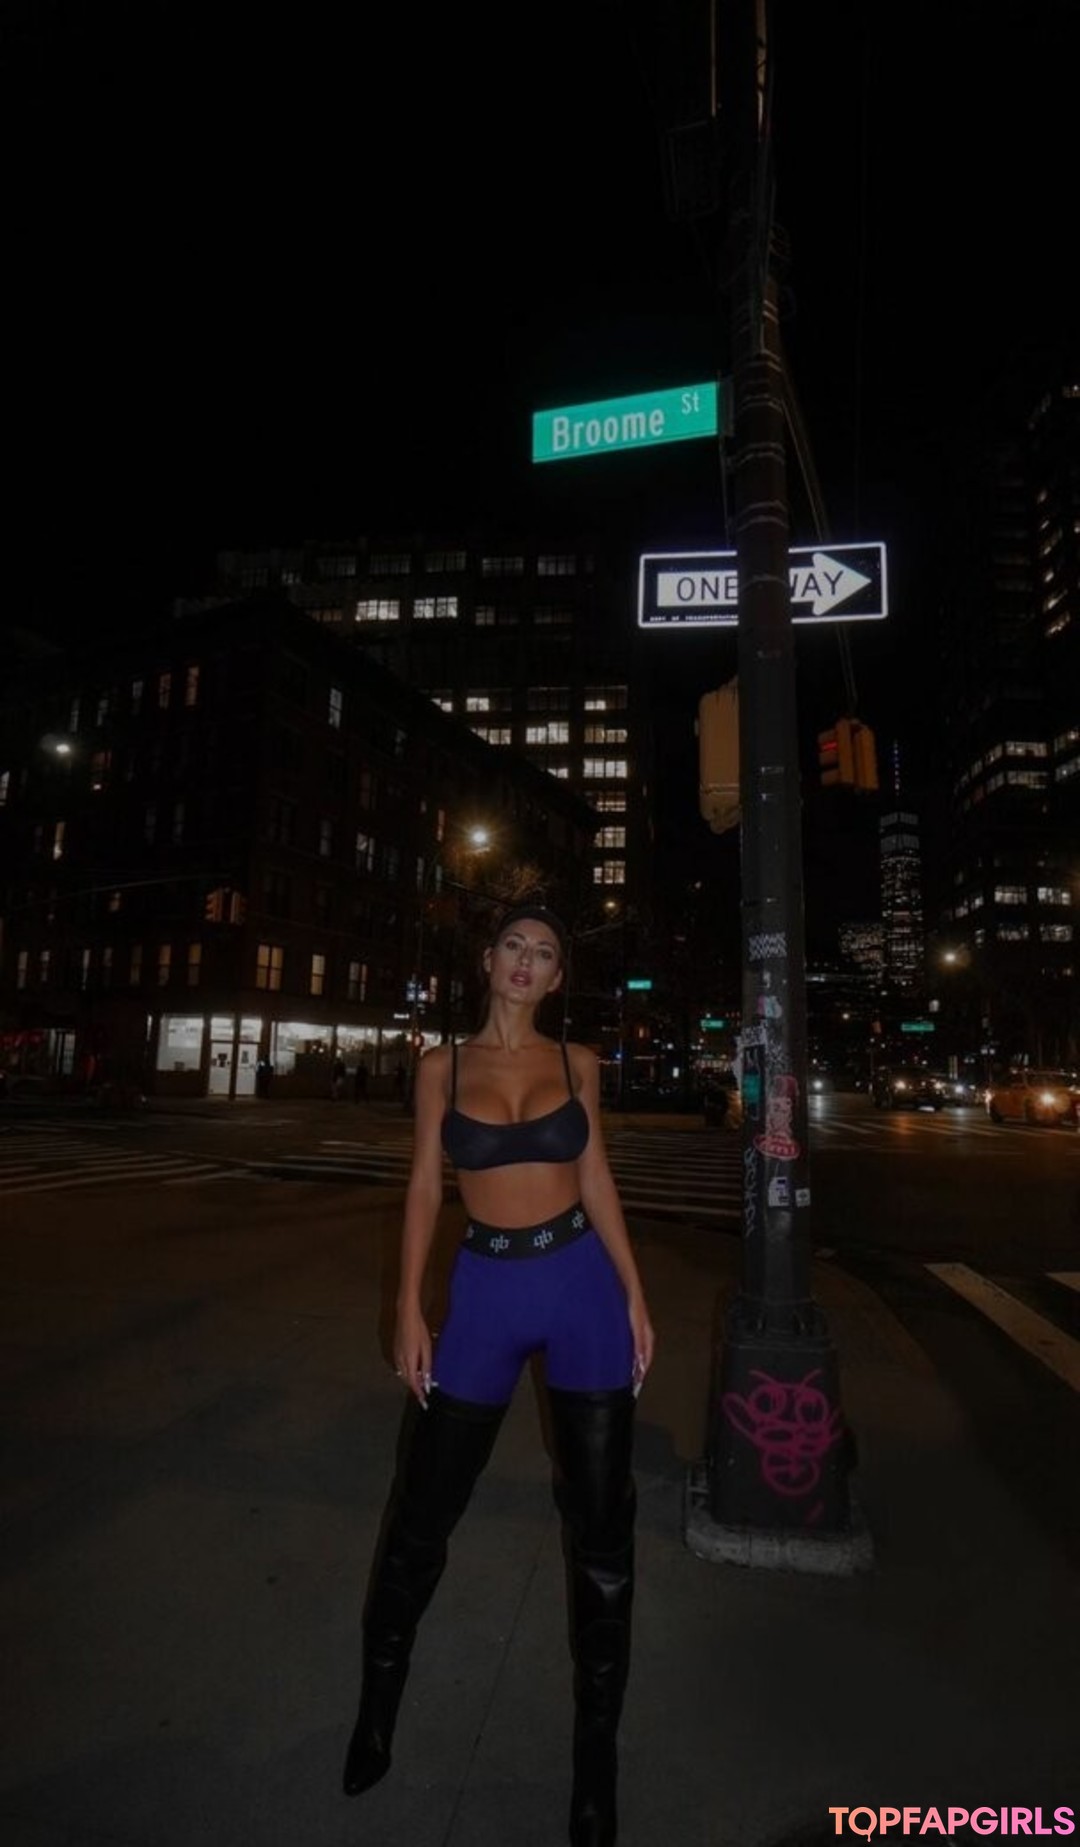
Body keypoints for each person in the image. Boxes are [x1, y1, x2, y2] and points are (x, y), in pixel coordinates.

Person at [342, 904, 655, 1846]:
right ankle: (378, 1706)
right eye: (514, 945)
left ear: (557, 978)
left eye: (544, 952)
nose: (527, 960)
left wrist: (635, 1294)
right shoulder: (440, 1066)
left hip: (581, 1288)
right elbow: (425, 1186)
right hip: (484, 1293)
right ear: (488, 961)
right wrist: (409, 1306)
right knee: (422, 1512)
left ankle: (596, 1763)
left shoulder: (579, 1062)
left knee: (602, 1536)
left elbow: (596, 1178)